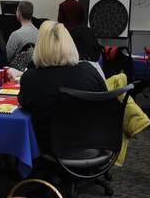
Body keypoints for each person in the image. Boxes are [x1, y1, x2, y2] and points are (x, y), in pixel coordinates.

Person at [19, 21, 107, 154]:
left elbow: (25, 106)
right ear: (70, 45)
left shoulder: (30, 78)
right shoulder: (89, 71)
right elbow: (104, 104)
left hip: (50, 148)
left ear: (39, 46)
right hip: (93, 145)